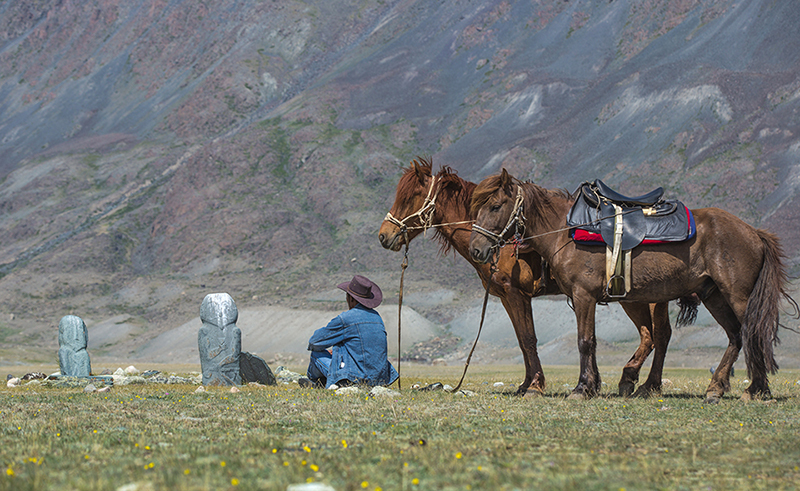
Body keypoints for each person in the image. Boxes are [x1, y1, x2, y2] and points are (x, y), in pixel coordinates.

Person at [299, 275, 399, 389]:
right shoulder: (377, 318)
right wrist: (337, 351)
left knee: (316, 354)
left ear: (351, 298)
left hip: (354, 378)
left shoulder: (346, 318)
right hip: (380, 379)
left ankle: (316, 383)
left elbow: (314, 342)